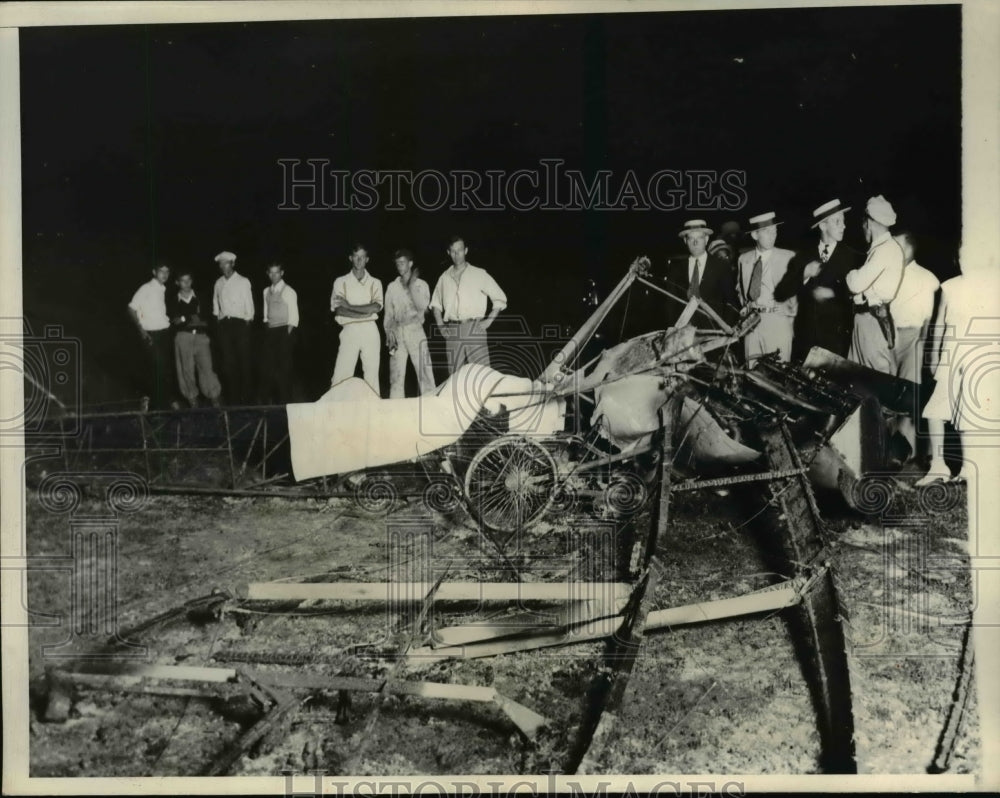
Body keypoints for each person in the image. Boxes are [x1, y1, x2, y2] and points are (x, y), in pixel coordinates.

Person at [916, 256, 1000, 485]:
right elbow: (940, 324)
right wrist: (934, 355)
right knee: (935, 411)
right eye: (962, 255)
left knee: (969, 414)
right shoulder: (949, 286)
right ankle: (938, 466)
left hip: (979, 357)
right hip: (950, 357)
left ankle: (967, 468)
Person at [775, 199, 860, 361]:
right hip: (805, 341)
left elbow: (857, 297)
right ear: (823, 226)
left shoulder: (852, 257)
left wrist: (834, 293)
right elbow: (781, 293)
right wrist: (804, 274)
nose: (843, 226)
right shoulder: (803, 257)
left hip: (837, 341)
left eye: (843, 221)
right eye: (837, 221)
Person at [889, 231, 940, 461]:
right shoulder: (888, 273)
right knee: (889, 392)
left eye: (897, 246)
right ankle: (891, 448)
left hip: (914, 338)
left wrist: (924, 346)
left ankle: (911, 450)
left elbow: (929, 319)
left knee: (910, 393)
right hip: (889, 337)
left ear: (908, 248)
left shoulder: (926, 277)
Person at [430, 236, 507, 374]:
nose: (456, 254)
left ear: (466, 250)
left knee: (481, 374)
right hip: (452, 330)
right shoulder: (444, 277)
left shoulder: (479, 274)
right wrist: (441, 326)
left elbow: (500, 298)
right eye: (453, 251)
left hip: (474, 328)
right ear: (448, 253)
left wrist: (488, 322)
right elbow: (435, 304)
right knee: (455, 376)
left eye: (459, 250)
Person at [846, 196, 905, 374]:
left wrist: (851, 273)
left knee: (872, 380)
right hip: (869, 320)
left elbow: (855, 284)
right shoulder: (882, 248)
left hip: (871, 322)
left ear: (869, 223)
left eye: (864, 223)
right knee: (858, 377)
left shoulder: (885, 249)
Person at [736, 211, 797, 362]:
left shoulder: (788, 257)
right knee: (752, 373)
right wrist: (745, 306)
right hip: (752, 324)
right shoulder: (744, 259)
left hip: (777, 321)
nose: (772, 235)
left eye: (774, 231)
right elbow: (739, 288)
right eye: (767, 231)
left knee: (777, 376)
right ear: (755, 235)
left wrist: (790, 311)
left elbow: (800, 290)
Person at [664, 219, 739, 328]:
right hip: (683, 333)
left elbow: (731, 302)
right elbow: (670, 304)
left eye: (699, 238)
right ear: (685, 241)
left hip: (713, 333)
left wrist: (725, 329)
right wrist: (672, 330)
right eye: (691, 238)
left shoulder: (720, 266)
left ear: (706, 239)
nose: (695, 243)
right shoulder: (676, 268)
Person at [330, 244, 384, 395]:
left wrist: (349, 306)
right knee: (341, 375)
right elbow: (339, 310)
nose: (359, 260)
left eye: (362, 257)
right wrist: (363, 313)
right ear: (350, 258)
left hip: (370, 330)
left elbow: (375, 307)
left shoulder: (375, 282)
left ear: (367, 259)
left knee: (371, 376)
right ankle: (335, 413)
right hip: (349, 330)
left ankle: (373, 414)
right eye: (356, 256)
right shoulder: (340, 281)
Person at [383, 249, 436, 398]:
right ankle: (396, 413)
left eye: (403, 262)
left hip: (415, 330)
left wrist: (411, 286)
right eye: (397, 263)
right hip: (397, 332)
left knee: (425, 374)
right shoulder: (392, 287)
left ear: (410, 263)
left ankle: (431, 409)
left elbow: (424, 309)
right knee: (396, 378)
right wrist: (389, 332)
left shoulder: (421, 285)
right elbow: (388, 314)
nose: (399, 266)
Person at [166, 270, 222, 408]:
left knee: (207, 368)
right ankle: (193, 399)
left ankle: (214, 397)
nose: (186, 284)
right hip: (183, 337)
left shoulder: (201, 297)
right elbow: (175, 321)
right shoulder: (172, 300)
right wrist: (192, 317)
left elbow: (206, 318)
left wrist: (185, 318)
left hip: (201, 337)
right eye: (183, 281)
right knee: (186, 370)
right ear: (177, 283)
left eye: (189, 280)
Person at [127, 264, 176, 410]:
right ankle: (155, 407)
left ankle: (162, 403)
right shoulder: (146, 288)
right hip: (151, 334)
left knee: (164, 369)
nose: (165, 274)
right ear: (154, 272)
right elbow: (131, 308)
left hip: (164, 332)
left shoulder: (162, 289)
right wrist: (141, 330)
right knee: (157, 368)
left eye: (167, 271)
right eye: (162, 271)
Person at [212, 251, 255, 404]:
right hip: (225, 325)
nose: (224, 266)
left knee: (244, 361)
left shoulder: (243, 281)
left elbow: (249, 305)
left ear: (233, 263)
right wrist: (219, 322)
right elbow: (216, 307)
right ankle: (233, 399)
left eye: (227, 262)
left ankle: (248, 399)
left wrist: (247, 323)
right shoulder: (218, 283)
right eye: (221, 263)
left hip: (240, 324)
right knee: (228, 363)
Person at [260, 262, 299, 404]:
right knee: (269, 369)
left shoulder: (289, 291)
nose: (273, 275)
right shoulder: (266, 291)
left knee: (284, 369)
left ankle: (286, 403)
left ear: (282, 273)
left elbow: (294, 318)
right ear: (268, 273)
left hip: (284, 331)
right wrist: (267, 328)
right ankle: (271, 404)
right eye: (271, 272)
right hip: (271, 331)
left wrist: (286, 335)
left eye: (276, 272)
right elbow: (266, 313)